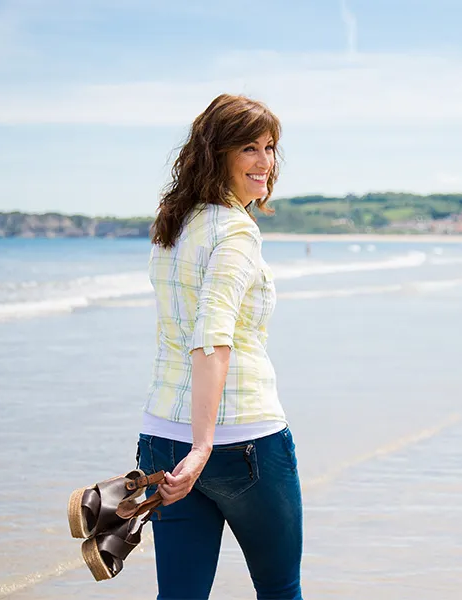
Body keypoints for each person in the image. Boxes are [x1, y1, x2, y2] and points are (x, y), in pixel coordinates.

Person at [138, 94, 303, 599]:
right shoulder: (235, 233)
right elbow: (212, 338)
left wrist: (190, 445)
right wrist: (204, 446)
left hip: (162, 436)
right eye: (249, 148)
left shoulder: (174, 220)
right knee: (280, 590)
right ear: (217, 154)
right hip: (241, 441)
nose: (265, 162)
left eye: (270, 148)